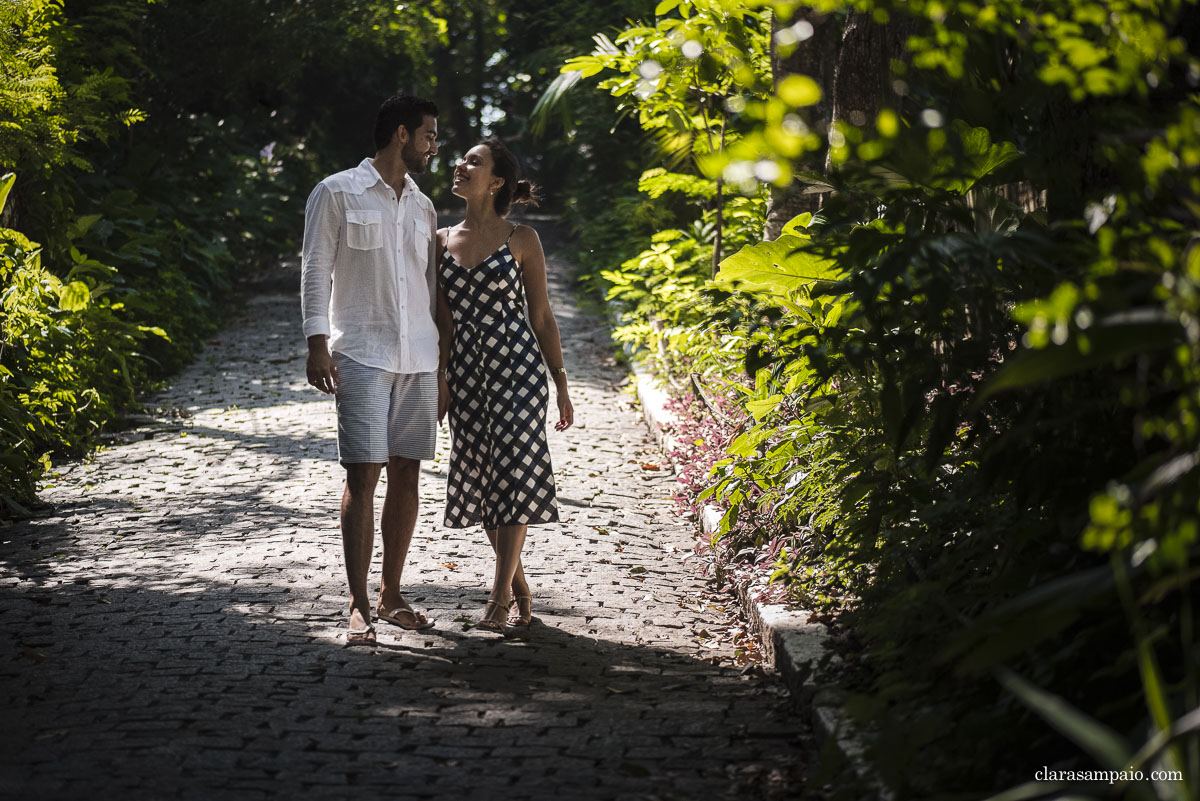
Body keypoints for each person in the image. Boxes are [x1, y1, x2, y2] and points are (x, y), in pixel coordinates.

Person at [301, 95, 447, 645]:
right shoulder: (336, 192)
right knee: (363, 475)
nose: (435, 146)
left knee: (407, 472)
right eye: (430, 135)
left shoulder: (424, 206)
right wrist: (317, 343)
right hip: (361, 352)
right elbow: (316, 269)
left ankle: (391, 594)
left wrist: (442, 367)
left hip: (418, 358)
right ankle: (358, 602)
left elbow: (431, 290)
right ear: (402, 134)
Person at [436, 137, 574, 634]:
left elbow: (541, 316)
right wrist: (441, 376)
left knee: (514, 471)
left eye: (473, 161)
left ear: (496, 181)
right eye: (462, 159)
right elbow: (443, 322)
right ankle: (517, 584)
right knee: (481, 479)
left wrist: (560, 382)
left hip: (517, 368)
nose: (460, 165)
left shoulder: (523, 238)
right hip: (467, 377)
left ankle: (497, 599)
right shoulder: (439, 239)